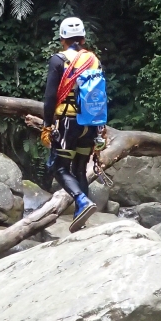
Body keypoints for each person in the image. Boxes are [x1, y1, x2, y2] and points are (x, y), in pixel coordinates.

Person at [41, 17, 106, 232]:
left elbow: (50, 98)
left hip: (68, 123)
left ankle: (81, 200)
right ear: (83, 38)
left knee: (58, 166)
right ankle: (82, 216)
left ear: (62, 40)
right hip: (90, 122)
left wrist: (47, 125)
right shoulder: (93, 60)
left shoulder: (58, 60)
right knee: (79, 168)